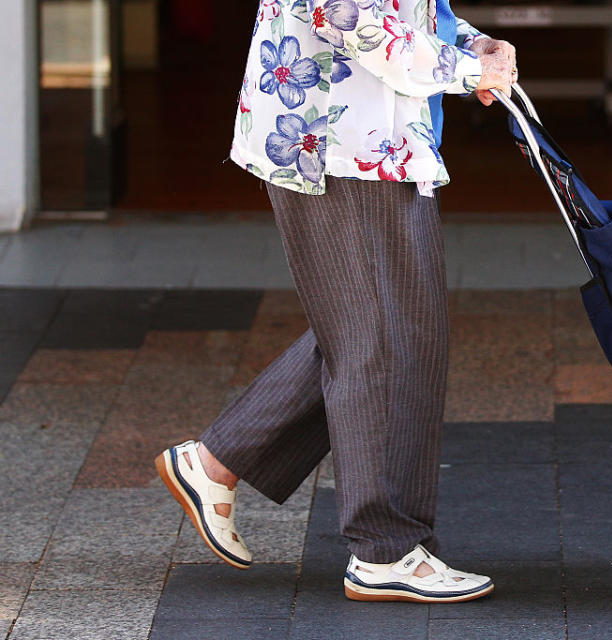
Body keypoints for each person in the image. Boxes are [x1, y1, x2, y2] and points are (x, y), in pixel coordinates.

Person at [154, 0, 516, 604]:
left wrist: (475, 46)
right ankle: (384, 551)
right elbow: (355, 21)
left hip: (376, 142)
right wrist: (465, 69)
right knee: (381, 341)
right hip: (336, 145)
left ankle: (216, 461)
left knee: (386, 330)